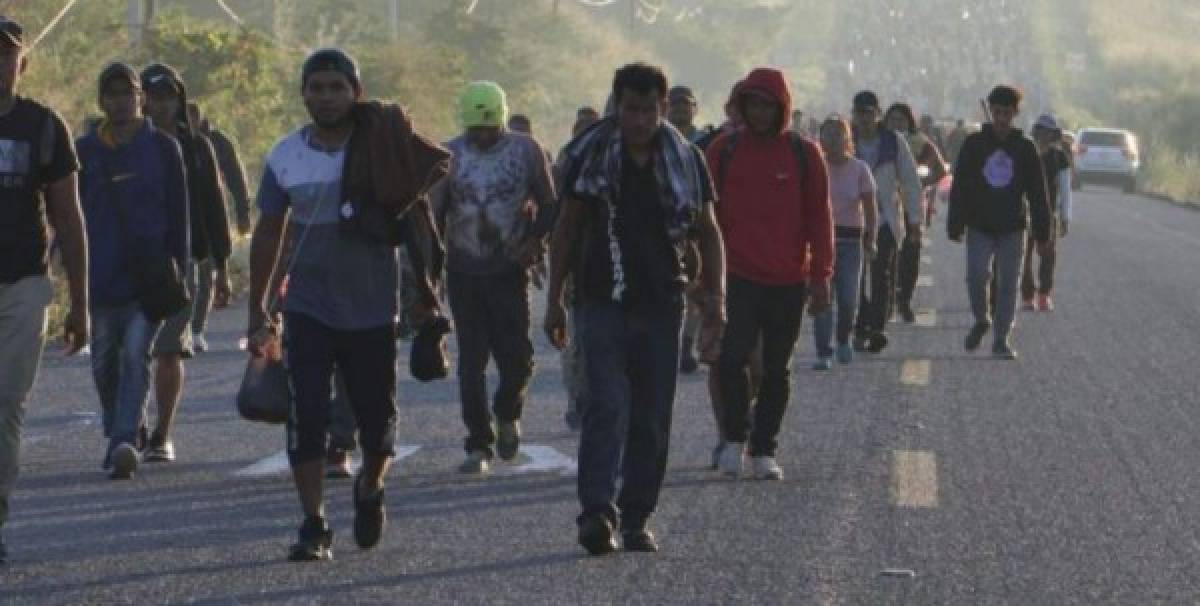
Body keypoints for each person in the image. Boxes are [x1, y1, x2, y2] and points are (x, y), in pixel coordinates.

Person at [246, 48, 448, 561]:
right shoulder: (286, 155)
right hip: (308, 307)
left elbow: (419, 218)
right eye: (317, 87)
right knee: (306, 414)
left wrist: (428, 295)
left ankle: (372, 487)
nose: (327, 97)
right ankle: (313, 523)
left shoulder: (382, 144)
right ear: (304, 94)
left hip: (373, 308)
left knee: (377, 422)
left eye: (337, 87)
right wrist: (260, 308)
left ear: (355, 92)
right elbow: (268, 233)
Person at [546, 62, 726, 555]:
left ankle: (636, 517)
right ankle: (597, 512)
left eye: (649, 110)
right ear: (616, 106)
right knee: (604, 405)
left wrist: (717, 300)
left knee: (651, 416)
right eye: (631, 109)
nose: (640, 120)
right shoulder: (590, 155)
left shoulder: (687, 158)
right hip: (599, 298)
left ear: (664, 109)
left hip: (663, 301)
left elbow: (709, 230)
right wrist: (554, 301)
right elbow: (565, 229)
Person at [706, 68, 832, 480]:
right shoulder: (722, 151)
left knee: (777, 370)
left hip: (788, 280)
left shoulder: (803, 154)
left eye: (767, 105)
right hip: (736, 276)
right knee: (730, 359)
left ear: (782, 108)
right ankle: (734, 438)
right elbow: (703, 219)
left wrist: (821, 277)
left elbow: (819, 217)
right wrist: (703, 276)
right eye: (752, 104)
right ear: (741, 105)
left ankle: (764, 449)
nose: (759, 113)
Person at [0, 16, 89, 564]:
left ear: (22, 63)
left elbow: (69, 217)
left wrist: (80, 303)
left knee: (5, 402)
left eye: (6, 54)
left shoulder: (42, 126)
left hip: (24, 284)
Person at [433, 81, 556, 475]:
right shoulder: (449, 155)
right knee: (471, 360)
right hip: (464, 271)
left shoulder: (526, 151)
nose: (483, 136)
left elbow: (551, 205)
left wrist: (534, 242)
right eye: (475, 129)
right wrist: (428, 272)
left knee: (516, 357)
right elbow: (434, 214)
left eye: (490, 129)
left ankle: (507, 413)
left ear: (502, 120)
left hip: (509, 270)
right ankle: (478, 443)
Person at [77, 62, 190, 480]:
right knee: (105, 361)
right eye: (111, 94)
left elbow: (180, 217)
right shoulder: (85, 151)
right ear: (101, 101)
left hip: (149, 277)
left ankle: (123, 439)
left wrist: (181, 271)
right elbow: (72, 213)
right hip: (100, 276)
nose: (121, 101)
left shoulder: (162, 148)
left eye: (128, 93)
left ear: (139, 98)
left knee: (134, 353)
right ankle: (120, 428)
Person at [140, 63, 232, 463]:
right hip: (128, 264)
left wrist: (222, 267)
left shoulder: (197, 147)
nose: (159, 106)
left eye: (167, 97)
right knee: (127, 352)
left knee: (167, 351)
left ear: (180, 100)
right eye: (151, 97)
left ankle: (161, 433)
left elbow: (213, 205)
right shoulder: (118, 145)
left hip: (181, 264)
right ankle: (131, 423)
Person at [947, 85, 1051, 360]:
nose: (1002, 118)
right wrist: (955, 223)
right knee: (976, 277)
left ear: (1015, 113)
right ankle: (982, 319)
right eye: (997, 112)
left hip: (1013, 227)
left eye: (1007, 113)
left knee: (1008, 283)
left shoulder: (1025, 148)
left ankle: (1001, 338)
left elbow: (1038, 193)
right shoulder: (974, 144)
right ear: (990, 111)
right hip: (979, 225)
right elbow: (961, 187)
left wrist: (1043, 233)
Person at [850, 91, 922, 353]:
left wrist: (915, 220)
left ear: (877, 115)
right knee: (853, 278)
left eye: (869, 113)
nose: (865, 119)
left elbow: (911, 182)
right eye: (860, 113)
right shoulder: (845, 141)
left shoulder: (894, 142)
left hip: (884, 219)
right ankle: (860, 325)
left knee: (881, 274)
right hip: (850, 220)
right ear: (854, 115)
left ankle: (877, 328)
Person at [185, 102, 251, 353]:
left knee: (206, 275)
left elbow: (235, 176)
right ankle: (179, 326)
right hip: (181, 220)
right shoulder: (166, 141)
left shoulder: (215, 142)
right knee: (186, 278)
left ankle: (197, 329)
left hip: (210, 216)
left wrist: (243, 212)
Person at [812, 115, 876, 369]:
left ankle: (843, 339)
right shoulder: (817, 166)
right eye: (827, 134)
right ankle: (823, 352)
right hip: (822, 241)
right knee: (823, 297)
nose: (832, 139)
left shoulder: (860, 169)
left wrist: (871, 237)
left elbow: (870, 207)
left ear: (847, 139)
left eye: (838, 134)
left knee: (849, 299)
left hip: (851, 241)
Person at [885, 102, 947, 323]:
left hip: (911, 207)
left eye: (901, 120)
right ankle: (887, 301)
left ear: (909, 121)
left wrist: (921, 183)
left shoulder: (920, 143)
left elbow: (939, 169)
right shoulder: (880, 141)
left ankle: (905, 301)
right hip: (885, 206)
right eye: (892, 119)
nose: (896, 124)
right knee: (886, 256)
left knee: (910, 254)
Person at [1021, 113, 1072, 312]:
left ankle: (1044, 294)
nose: (1043, 136)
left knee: (1047, 255)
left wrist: (1065, 217)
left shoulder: (1059, 158)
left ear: (1053, 135)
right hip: (1024, 211)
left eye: (1047, 132)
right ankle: (1027, 296)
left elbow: (1065, 189)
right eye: (1040, 131)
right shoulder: (1026, 153)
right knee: (1023, 256)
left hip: (1048, 213)